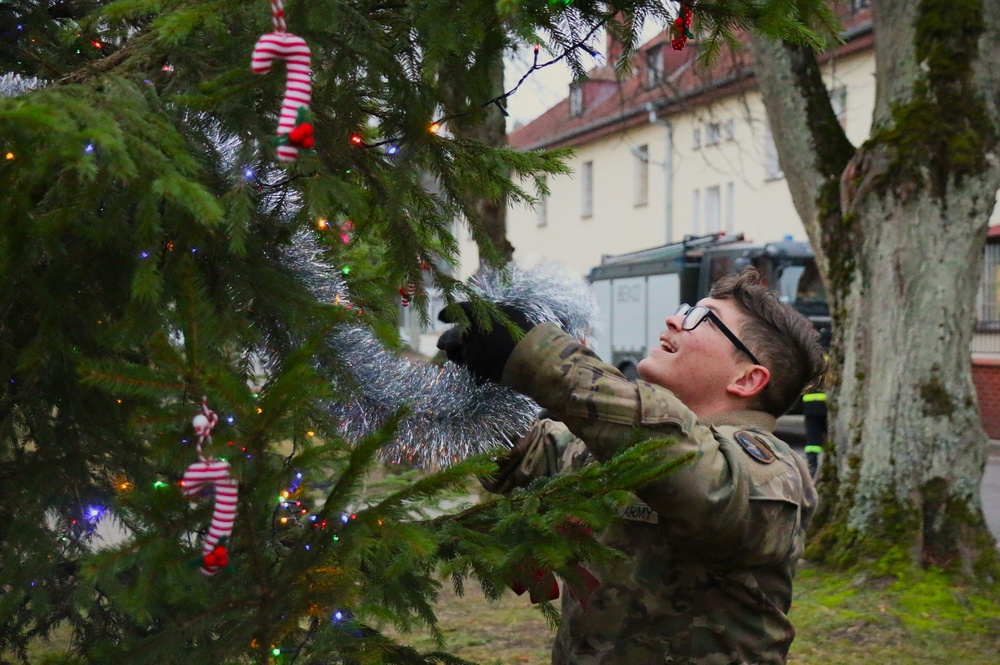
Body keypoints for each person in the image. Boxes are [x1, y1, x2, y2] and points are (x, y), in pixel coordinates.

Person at [438, 268, 825, 665]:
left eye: (702, 319)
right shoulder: (609, 450)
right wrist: (483, 378)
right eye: (685, 309)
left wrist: (535, 355)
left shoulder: (772, 471)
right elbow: (521, 456)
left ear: (747, 379)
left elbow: (692, 472)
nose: (675, 319)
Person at [802, 328, 831, 477]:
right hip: (828, 405)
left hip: (810, 404)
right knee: (831, 436)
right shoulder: (833, 359)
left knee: (812, 438)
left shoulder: (813, 359)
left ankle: (812, 466)